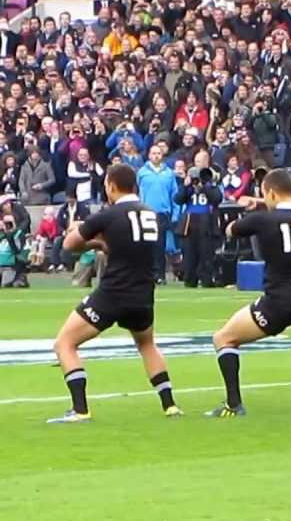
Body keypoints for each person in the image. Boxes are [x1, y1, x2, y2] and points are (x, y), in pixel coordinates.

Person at [204, 170, 291, 418]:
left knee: (224, 338)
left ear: (270, 192)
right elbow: (284, 216)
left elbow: (231, 230)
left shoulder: (262, 220)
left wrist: (249, 209)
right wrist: (260, 203)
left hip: (278, 301)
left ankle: (233, 404)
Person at [47, 164, 182, 423]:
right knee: (147, 344)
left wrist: (96, 240)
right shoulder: (151, 214)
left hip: (112, 293)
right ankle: (170, 405)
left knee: (64, 344)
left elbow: (69, 245)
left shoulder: (109, 214)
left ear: (110, 186)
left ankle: (79, 410)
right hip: (143, 293)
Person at [174, 160, 222, 288]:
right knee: (189, 254)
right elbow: (178, 199)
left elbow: (217, 199)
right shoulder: (188, 189)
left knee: (205, 253)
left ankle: (206, 279)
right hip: (189, 224)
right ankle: (190, 279)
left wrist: (205, 187)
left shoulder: (211, 187)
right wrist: (186, 186)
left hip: (206, 224)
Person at [137, 145, 178, 284]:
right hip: (146, 212)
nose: (156, 156)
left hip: (162, 213)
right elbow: (137, 193)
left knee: (160, 246)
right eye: (153, 153)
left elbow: (175, 195)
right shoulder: (142, 172)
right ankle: (147, 275)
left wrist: (175, 214)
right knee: (146, 246)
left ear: (162, 155)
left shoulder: (169, 173)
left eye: (158, 153)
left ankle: (160, 275)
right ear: (149, 155)